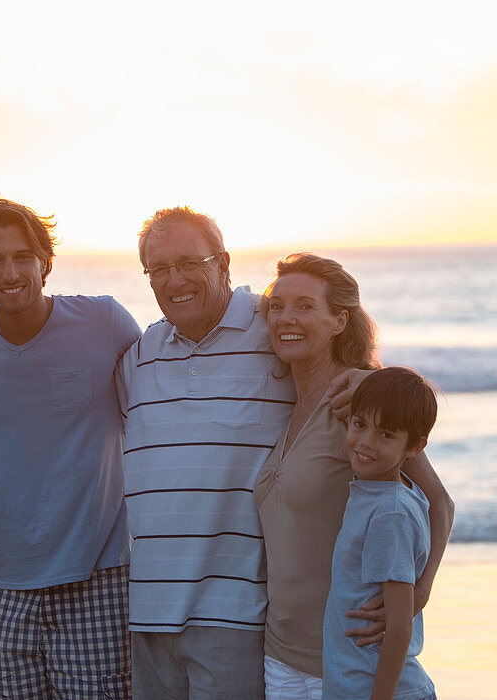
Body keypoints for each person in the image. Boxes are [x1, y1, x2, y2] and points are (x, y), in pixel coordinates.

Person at [0, 198, 141, 699]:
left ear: (44, 262)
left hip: (98, 576)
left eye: (22, 256)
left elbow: (168, 385)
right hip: (5, 584)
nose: (10, 272)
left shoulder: (105, 322)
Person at [116, 206, 296, 698]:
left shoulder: (275, 332)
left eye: (189, 263)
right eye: (159, 269)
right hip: (148, 614)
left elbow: (353, 400)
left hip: (236, 613)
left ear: (223, 263)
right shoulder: (140, 354)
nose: (175, 280)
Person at [255, 254, 453, 699]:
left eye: (305, 306)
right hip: (279, 660)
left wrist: (417, 596)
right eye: (278, 306)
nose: (287, 318)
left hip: (345, 669)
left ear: (339, 321)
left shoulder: (361, 407)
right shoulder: (280, 403)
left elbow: (439, 502)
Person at [323, 367, 438, 700]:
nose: (365, 443)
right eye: (360, 425)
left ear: (415, 446)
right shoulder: (381, 493)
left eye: (386, 435)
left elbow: (400, 627)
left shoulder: (390, 513)